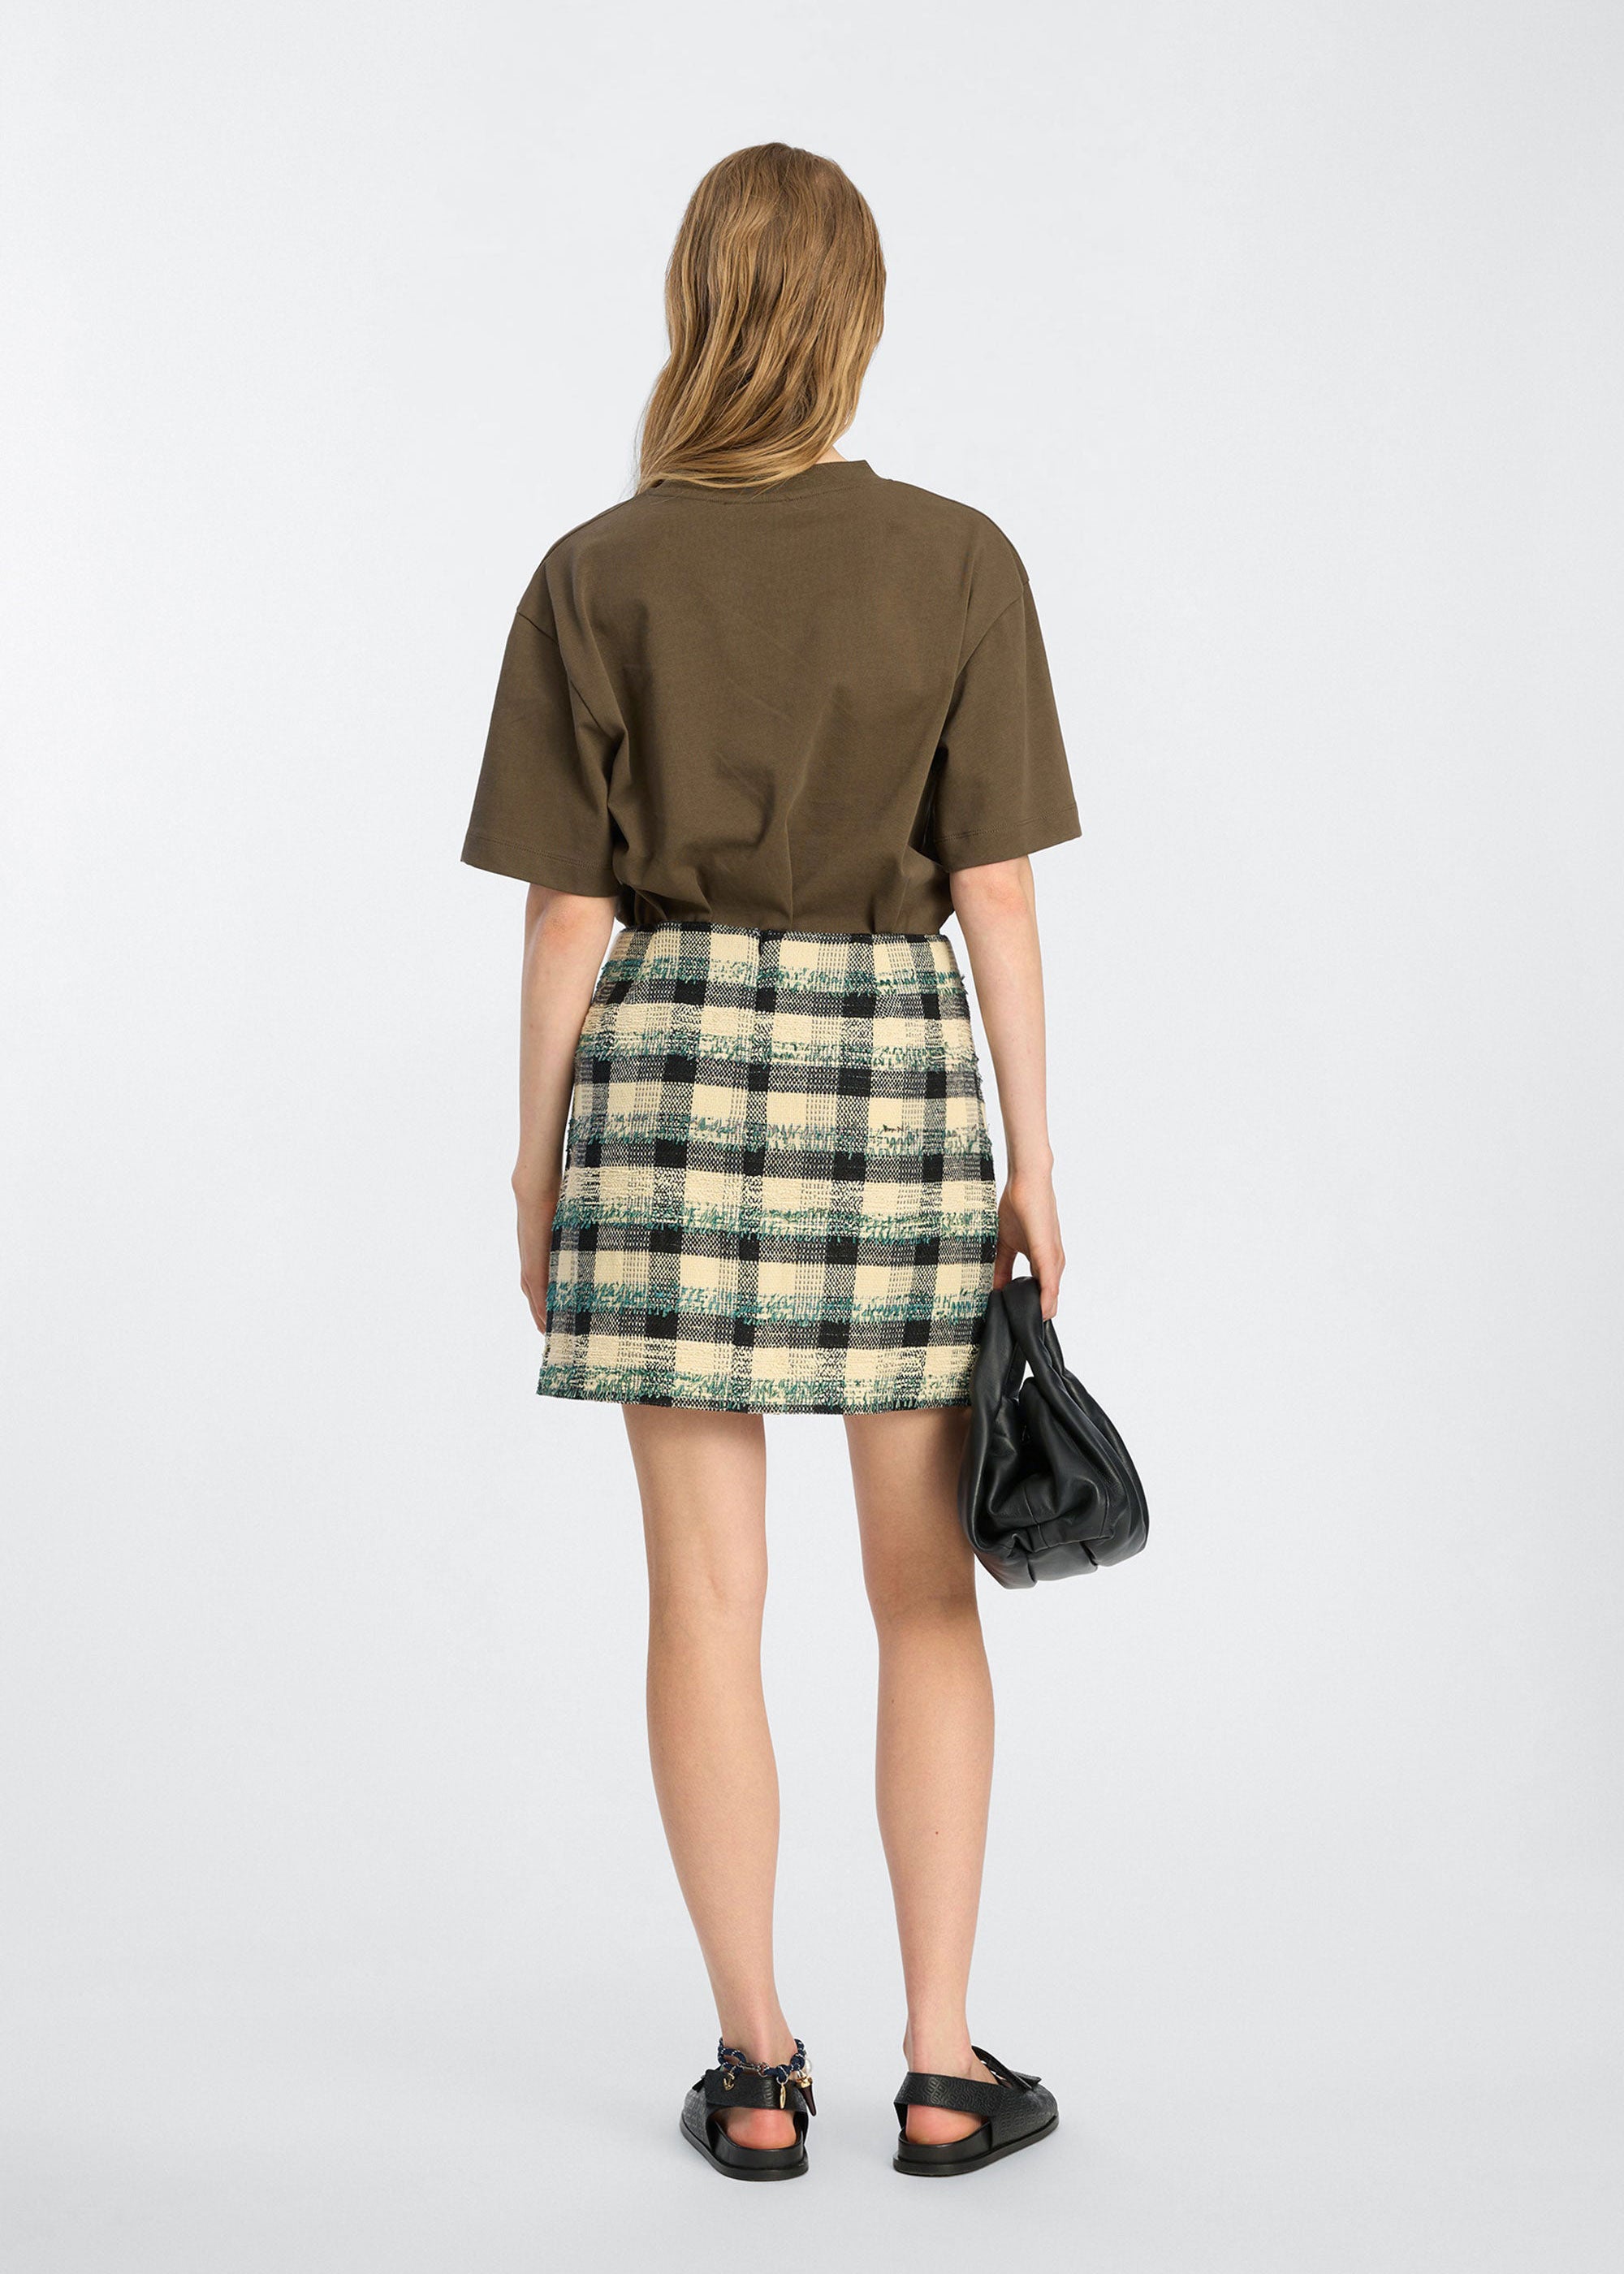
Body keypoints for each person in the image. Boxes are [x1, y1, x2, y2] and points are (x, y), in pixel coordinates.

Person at [461, 142, 1079, 2181]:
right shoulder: (959, 560)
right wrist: (1035, 1154)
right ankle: (939, 2066)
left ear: (697, 308)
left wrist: (539, 1165)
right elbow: (992, 889)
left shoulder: (596, 570)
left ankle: (752, 2069)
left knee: (704, 1600)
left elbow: (567, 912)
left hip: (664, 1075)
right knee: (923, 1590)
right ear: (856, 319)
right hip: (894, 1074)